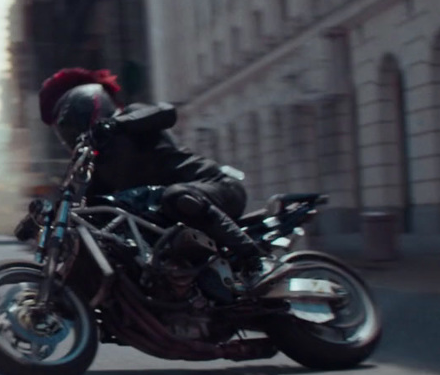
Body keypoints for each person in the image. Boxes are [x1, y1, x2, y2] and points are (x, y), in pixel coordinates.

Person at [15, 67, 263, 272]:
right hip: (173, 222)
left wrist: (116, 125)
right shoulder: (99, 168)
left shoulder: (132, 119)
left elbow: (167, 112)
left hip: (215, 188)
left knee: (177, 197)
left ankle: (252, 255)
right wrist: (42, 218)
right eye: (65, 130)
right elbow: (81, 206)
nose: (71, 134)